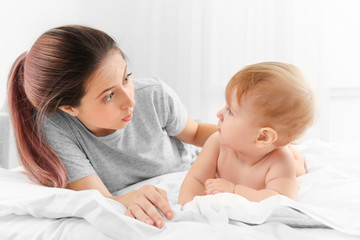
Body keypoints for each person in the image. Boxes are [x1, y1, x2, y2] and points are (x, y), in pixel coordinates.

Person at [7, 25, 217, 228]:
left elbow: (196, 132)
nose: (130, 101)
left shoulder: (154, 95)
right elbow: (102, 198)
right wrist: (129, 199)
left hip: (187, 174)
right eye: (108, 96)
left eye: (126, 78)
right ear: (70, 108)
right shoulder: (57, 129)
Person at [178, 62, 315, 205]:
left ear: (262, 137)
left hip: (286, 162)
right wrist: (188, 206)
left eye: (230, 111)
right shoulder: (216, 143)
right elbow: (196, 179)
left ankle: (296, 154)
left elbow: (281, 199)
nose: (219, 114)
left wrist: (234, 190)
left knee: (297, 167)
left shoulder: (280, 161)